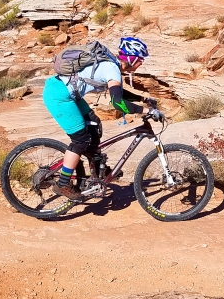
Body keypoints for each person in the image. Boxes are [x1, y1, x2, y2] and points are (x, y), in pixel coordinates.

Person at [42, 36, 157, 200]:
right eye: (140, 60)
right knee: (80, 140)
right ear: (132, 59)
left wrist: (143, 99)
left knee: (94, 124)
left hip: (65, 92)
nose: (141, 64)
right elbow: (117, 103)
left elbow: (119, 93)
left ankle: (97, 168)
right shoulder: (112, 68)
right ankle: (63, 183)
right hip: (59, 96)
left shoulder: (112, 66)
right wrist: (145, 111)